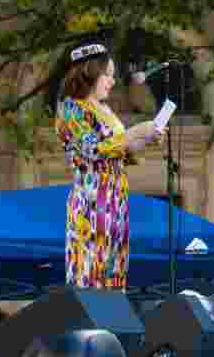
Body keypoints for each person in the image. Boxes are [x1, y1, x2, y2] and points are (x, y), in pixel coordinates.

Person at [55, 43, 165, 290]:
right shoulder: (73, 107)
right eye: (108, 74)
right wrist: (135, 132)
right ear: (91, 72)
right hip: (91, 202)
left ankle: (114, 323)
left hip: (116, 199)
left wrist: (145, 139)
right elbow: (92, 149)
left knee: (115, 273)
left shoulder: (104, 109)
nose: (112, 81)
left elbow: (118, 151)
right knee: (90, 273)